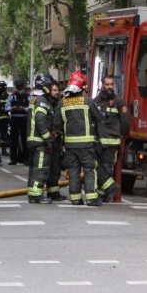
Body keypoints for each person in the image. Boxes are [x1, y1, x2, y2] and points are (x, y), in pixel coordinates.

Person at [54, 71, 103, 206]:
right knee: (89, 170)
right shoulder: (87, 100)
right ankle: (91, 198)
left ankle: (75, 198)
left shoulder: (62, 102)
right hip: (86, 144)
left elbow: (57, 123)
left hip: (70, 145)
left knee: (74, 171)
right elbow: (98, 118)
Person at [93, 75, 130, 204]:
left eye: (111, 84)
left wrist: (119, 136)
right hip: (98, 142)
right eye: (107, 84)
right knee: (96, 167)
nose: (109, 87)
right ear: (102, 85)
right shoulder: (96, 101)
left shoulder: (119, 102)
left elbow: (125, 123)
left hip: (112, 142)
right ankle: (107, 190)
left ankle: (104, 194)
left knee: (107, 168)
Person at [26, 74, 58, 204]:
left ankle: (34, 193)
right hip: (40, 142)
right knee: (40, 168)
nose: (51, 89)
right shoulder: (42, 101)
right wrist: (48, 139)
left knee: (34, 168)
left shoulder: (34, 99)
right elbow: (41, 120)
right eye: (50, 86)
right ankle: (36, 195)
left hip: (33, 140)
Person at [45, 82, 66, 201]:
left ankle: (53, 192)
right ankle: (38, 192)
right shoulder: (46, 104)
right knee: (45, 168)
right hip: (48, 140)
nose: (57, 92)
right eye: (54, 90)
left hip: (57, 140)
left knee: (55, 168)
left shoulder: (60, 103)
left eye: (58, 90)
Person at [6, 79, 30, 165]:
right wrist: (13, 108)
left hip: (24, 119)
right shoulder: (12, 96)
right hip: (15, 119)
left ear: (23, 86)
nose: (19, 88)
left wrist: (24, 109)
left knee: (25, 140)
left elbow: (31, 108)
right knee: (14, 141)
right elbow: (7, 107)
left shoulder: (28, 96)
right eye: (18, 87)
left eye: (21, 87)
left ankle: (26, 159)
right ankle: (13, 159)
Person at [0, 81, 11, 157]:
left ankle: (4, 150)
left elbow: (9, 106)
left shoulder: (8, 96)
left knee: (4, 135)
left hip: (5, 119)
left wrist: (5, 109)